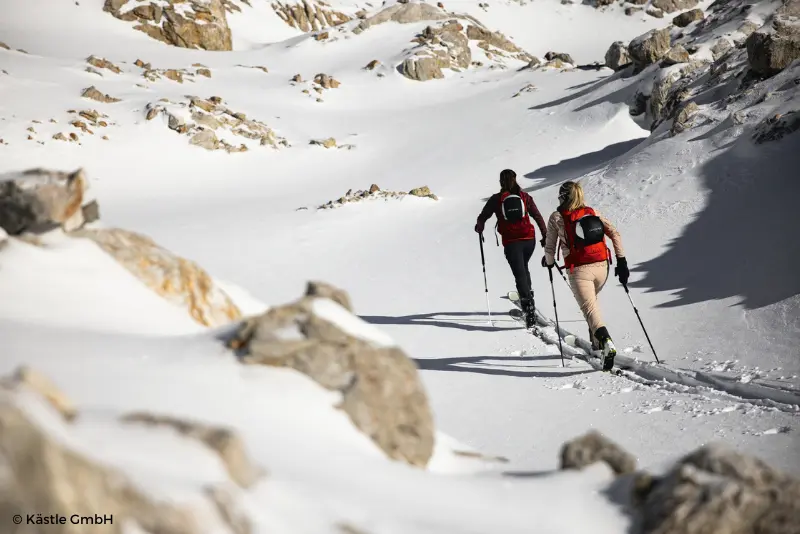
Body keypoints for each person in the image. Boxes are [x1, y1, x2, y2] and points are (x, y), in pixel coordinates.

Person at [541, 180, 629, 370]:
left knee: (589, 309)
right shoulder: (592, 212)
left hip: (579, 269)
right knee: (593, 303)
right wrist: (621, 260)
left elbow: (549, 246)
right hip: (602, 267)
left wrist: (548, 262)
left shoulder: (557, 217)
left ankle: (606, 343)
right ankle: (597, 346)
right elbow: (614, 233)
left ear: (564, 197)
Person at [475, 169, 547, 328]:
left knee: (519, 272)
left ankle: (528, 307)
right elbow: (537, 216)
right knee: (524, 267)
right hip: (529, 240)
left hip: (512, 242)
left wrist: (479, 227)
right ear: (515, 180)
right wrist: (545, 235)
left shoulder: (496, 199)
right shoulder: (525, 197)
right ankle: (529, 296)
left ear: (501, 182)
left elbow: (483, 216)